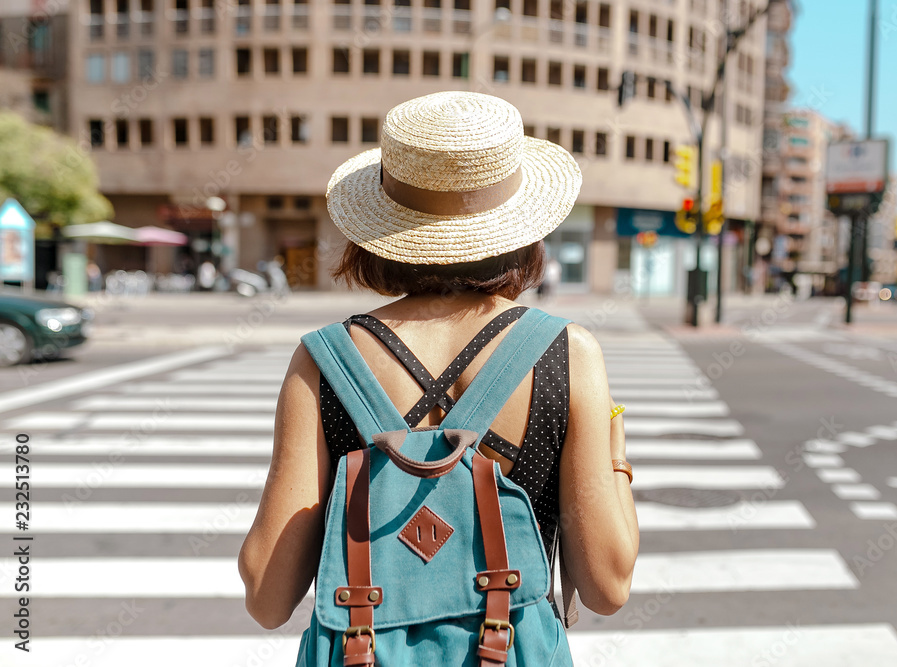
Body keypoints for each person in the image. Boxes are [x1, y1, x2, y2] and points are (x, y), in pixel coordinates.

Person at [238, 92, 639, 641]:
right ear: (523, 228)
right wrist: (614, 444)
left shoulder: (325, 360)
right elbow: (607, 587)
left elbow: (267, 597)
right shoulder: (566, 353)